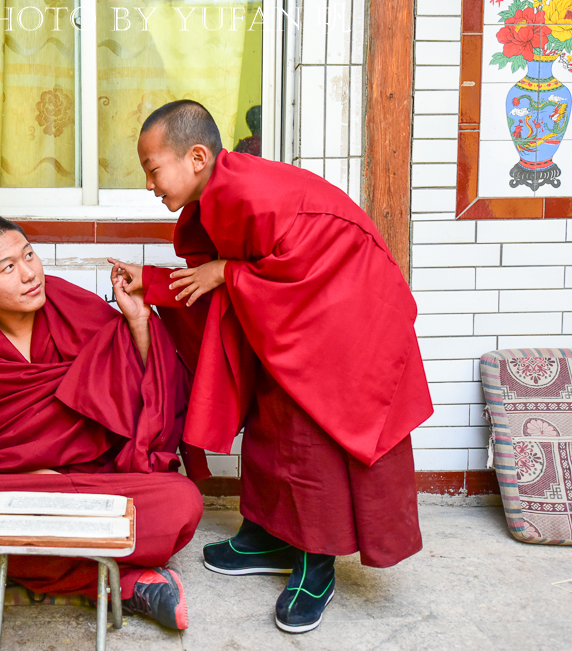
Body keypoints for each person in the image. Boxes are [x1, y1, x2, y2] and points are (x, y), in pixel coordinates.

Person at [109, 100, 433, 634]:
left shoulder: (246, 192)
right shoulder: (222, 190)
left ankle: (315, 563)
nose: (149, 184)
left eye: (152, 169)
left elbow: (294, 265)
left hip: (346, 311)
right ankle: (268, 534)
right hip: (302, 310)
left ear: (195, 157)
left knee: (310, 433)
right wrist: (155, 279)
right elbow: (222, 277)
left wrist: (227, 273)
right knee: (270, 414)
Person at [0, 215, 208, 631]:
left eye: (30, 255)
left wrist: (136, 321)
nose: (29, 274)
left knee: (182, 502)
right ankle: (125, 584)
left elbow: (144, 388)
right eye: (8, 267)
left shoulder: (68, 305)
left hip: (94, 477)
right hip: (20, 479)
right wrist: (36, 474)